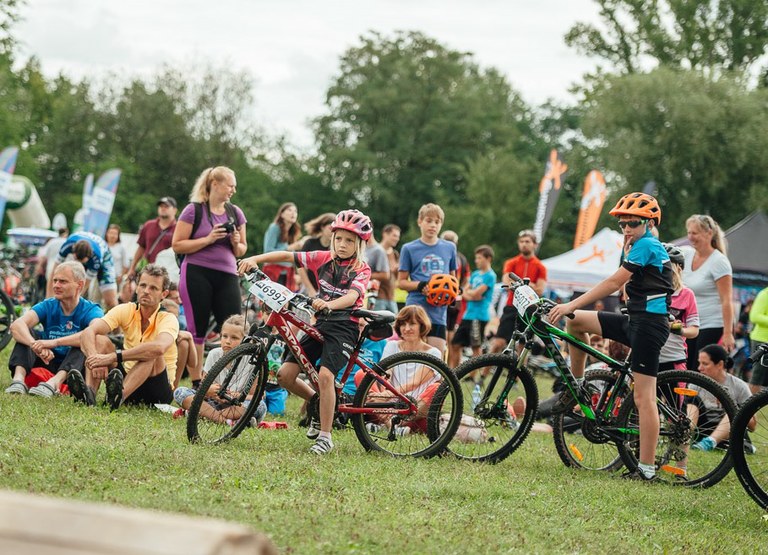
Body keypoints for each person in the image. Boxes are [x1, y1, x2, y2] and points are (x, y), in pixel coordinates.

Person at [549, 192, 673, 481]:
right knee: (576, 323)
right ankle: (578, 387)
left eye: (633, 223)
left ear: (650, 222)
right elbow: (623, 283)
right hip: (636, 321)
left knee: (644, 398)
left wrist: (571, 303)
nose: (627, 228)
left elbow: (614, 281)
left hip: (649, 326)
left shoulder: (648, 245)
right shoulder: (635, 245)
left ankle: (646, 469)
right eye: (622, 224)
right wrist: (573, 311)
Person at [238, 209, 373, 455]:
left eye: (350, 241)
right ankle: (317, 404)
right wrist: (256, 259)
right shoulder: (323, 258)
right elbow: (288, 255)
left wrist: (329, 304)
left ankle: (325, 436)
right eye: (339, 238)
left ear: (360, 244)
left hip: (345, 326)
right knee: (285, 375)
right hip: (321, 322)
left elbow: (354, 296)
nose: (342, 245)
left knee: (325, 377)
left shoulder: (361, 269)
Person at [172, 167, 247, 387]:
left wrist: (234, 241)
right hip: (196, 272)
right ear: (215, 183)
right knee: (197, 329)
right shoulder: (193, 210)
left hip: (227, 275)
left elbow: (242, 249)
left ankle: (234, 382)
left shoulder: (236, 213)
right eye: (230, 185)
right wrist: (209, 238)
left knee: (236, 325)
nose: (233, 189)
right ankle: (197, 382)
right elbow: (177, 244)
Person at [73, 264, 179, 409]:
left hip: (158, 392)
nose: (146, 291)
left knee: (151, 352)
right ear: (137, 287)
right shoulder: (126, 309)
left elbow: (159, 348)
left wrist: (112, 357)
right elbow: (88, 332)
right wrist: (94, 358)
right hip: (130, 380)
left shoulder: (168, 318)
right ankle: (89, 393)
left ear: (164, 294)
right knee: (99, 340)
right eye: (143, 285)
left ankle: (118, 397)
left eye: (153, 288)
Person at [4, 262, 103, 397]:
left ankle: (54, 383)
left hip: (74, 371)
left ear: (79, 285)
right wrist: (35, 346)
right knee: (28, 333)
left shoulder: (92, 309)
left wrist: (53, 343)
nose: (56, 285)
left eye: (62, 281)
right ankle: (18, 381)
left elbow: (96, 332)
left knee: (85, 340)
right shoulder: (48, 305)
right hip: (47, 361)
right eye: (55, 280)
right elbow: (16, 325)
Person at [361, 306, 442, 435]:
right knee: (362, 375)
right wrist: (382, 395)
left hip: (416, 408)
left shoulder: (433, 353)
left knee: (437, 388)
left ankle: (392, 424)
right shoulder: (391, 346)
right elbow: (385, 375)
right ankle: (391, 425)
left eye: (412, 324)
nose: (407, 328)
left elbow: (414, 383)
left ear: (422, 326)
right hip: (389, 404)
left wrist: (387, 395)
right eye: (403, 324)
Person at [173, 314, 267, 426]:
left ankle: (205, 415)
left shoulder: (253, 361)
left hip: (236, 406)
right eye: (224, 336)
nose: (227, 341)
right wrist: (210, 390)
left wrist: (237, 396)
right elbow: (203, 387)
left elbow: (258, 396)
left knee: (260, 405)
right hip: (213, 402)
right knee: (180, 392)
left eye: (234, 338)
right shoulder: (214, 354)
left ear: (246, 341)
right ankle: (226, 422)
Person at [398, 203, 457, 355]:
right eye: (429, 220)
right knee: (413, 357)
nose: (433, 225)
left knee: (437, 359)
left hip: (438, 311)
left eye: (437, 222)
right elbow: (401, 282)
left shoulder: (450, 247)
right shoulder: (409, 248)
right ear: (420, 221)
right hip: (416, 308)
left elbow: (453, 278)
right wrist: (420, 285)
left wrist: (452, 293)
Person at [683, 214, 734, 370]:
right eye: (689, 233)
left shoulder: (719, 262)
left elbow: (727, 300)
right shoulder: (686, 254)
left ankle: (697, 395)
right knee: (684, 369)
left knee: (698, 370)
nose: (691, 237)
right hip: (690, 324)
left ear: (709, 233)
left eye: (695, 233)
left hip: (711, 324)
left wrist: (727, 333)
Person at [490, 229, 547, 354]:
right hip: (512, 306)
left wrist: (518, 284)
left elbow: (540, 289)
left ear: (534, 244)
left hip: (530, 308)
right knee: (498, 342)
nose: (524, 244)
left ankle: (519, 374)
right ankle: (484, 373)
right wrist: (530, 285)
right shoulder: (511, 262)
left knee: (523, 347)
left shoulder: (540, 267)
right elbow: (507, 282)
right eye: (521, 241)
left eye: (527, 241)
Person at [690, 344, 755, 451]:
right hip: (701, 433)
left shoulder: (740, 386)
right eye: (699, 363)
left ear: (720, 364)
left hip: (731, 435)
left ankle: (710, 442)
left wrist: (731, 406)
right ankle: (686, 432)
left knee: (735, 408)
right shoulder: (695, 384)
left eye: (705, 364)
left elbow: (753, 426)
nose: (699, 368)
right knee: (692, 401)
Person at [448, 245, 496, 369]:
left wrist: (469, 294)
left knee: (476, 346)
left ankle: (474, 375)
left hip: (479, 316)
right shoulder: (475, 274)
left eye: (479, 258)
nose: (476, 261)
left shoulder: (490, 276)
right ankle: (455, 371)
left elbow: (475, 294)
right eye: (476, 258)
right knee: (455, 344)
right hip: (468, 314)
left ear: (488, 258)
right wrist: (469, 294)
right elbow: (464, 291)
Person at [50, 230, 119, 310]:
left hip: (104, 258)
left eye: (82, 262)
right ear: (73, 252)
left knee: (111, 302)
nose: (79, 264)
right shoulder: (67, 245)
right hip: (81, 244)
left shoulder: (96, 258)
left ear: (88, 258)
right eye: (76, 259)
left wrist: (71, 306)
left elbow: (83, 286)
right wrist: (49, 301)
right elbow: (53, 273)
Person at [658, 243, 700, 371]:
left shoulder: (687, 294)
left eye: (667, 267)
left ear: (679, 269)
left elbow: (694, 330)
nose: (662, 270)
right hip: (648, 354)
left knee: (675, 392)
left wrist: (679, 330)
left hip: (673, 358)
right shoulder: (651, 290)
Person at [126, 196, 179, 282]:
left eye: (166, 206)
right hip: (147, 270)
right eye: (161, 206)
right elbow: (141, 248)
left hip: (168, 274)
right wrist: (132, 268)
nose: (163, 208)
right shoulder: (148, 225)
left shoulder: (179, 228)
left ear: (175, 210)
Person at [262, 202, 302, 291]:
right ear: (282, 214)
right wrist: (289, 248)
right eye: (289, 210)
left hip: (288, 273)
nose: (293, 213)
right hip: (273, 271)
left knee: (286, 303)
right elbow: (267, 251)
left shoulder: (292, 232)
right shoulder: (274, 227)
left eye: (295, 211)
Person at [160, 298, 198, 389]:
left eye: (175, 317)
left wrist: (190, 338)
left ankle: (173, 387)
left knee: (184, 343)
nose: (173, 320)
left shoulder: (178, 334)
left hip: (175, 372)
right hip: (157, 374)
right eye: (169, 316)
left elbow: (193, 364)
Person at [297, 212, 335, 296]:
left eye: (335, 230)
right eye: (330, 228)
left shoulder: (336, 249)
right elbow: (300, 266)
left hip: (327, 291)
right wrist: (310, 289)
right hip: (308, 287)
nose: (332, 232)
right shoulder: (310, 243)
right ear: (322, 227)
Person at [374, 224, 401, 314]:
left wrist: (397, 270)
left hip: (392, 298)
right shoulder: (375, 251)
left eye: (398, 236)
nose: (397, 239)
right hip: (377, 298)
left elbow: (397, 278)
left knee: (394, 326)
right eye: (394, 235)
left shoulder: (395, 254)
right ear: (385, 234)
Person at [36, 227, 68, 296]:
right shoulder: (66, 242)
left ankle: (49, 303)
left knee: (50, 287)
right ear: (66, 233)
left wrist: (40, 266)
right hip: (63, 268)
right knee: (61, 289)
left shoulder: (52, 242)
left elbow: (44, 256)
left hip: (50, 267)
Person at [749, 286, 768, 393]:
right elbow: (754, 316)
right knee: (757, 377)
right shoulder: (765, 294)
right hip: (761, 340)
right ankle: (751, 407)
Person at [105, 224, 130, 291]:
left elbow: (126, 264)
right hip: (102, 277)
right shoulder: (102, 245)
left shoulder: (121, 248)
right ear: (107, 234)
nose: (112, 236)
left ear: (118, 236)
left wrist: (121, 276)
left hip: (116, 279)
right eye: (111, 233)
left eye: (115, 234)